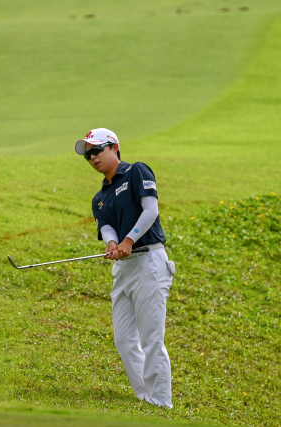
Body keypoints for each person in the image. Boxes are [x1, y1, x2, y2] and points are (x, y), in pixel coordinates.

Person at [74, 128, 175, 408]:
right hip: (124, 269)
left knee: (151, 338)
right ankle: (146, 397)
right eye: (88, 155)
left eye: (97, 150)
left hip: (149, 261)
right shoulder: (99, 197)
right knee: (124, 340)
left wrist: (129, 239)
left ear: (115, 147)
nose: (92, 157)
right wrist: (112, 244)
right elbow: (105, 226)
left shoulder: (136, 172)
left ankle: (161, 402)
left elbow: (151, 209)